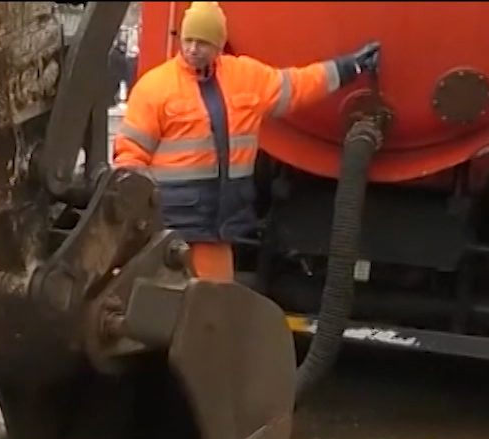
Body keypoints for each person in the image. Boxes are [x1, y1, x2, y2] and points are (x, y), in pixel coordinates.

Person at [111, 1, 380, 282]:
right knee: (165, 309)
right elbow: (130, 156)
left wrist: (349, 67)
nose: (192, 49)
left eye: (202, 42)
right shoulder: (155, 88)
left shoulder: (246, 78)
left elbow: (299, 85)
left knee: (212, 312)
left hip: (216, 232)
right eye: (188, 40)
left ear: (219, 44)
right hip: (169, 229)